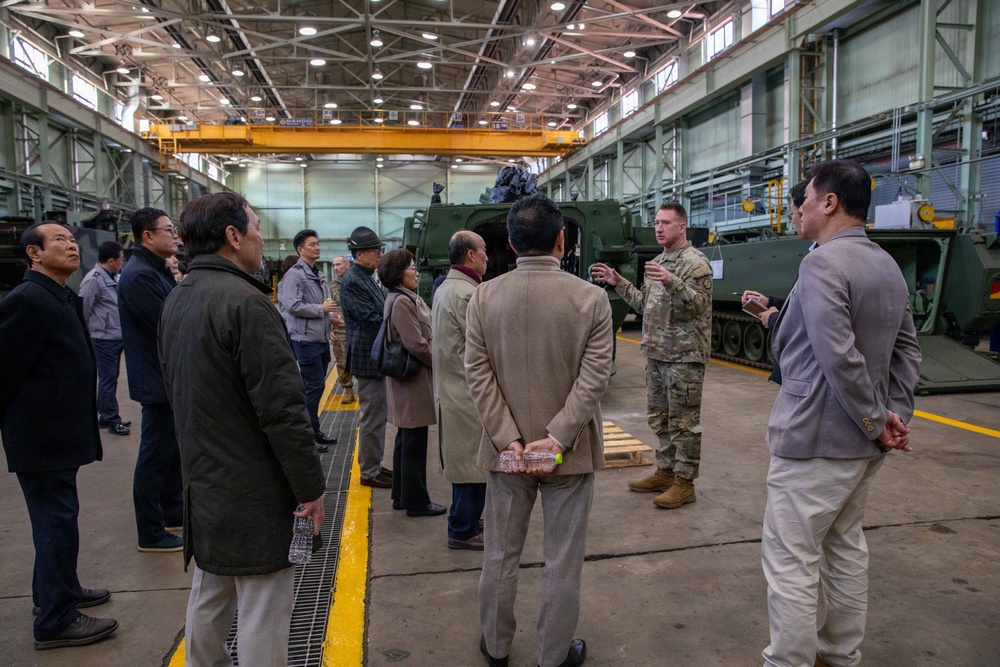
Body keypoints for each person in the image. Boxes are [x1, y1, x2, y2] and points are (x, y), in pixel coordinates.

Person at [760, 159, 921, 667]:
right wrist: (893, 415)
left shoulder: (822, 262)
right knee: (845, 548)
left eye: (805, 199)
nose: (799, 208)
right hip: (860, 448)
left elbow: (839, 357)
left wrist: (877, 420)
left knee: (791, 561)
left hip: (816, 442)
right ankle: (839, 653)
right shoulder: (885, 263)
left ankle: (788, 661)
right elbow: (908, 351)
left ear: (829, 203)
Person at [158, 192, 326, 667]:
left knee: (211, 594)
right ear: (232, 236)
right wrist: (310, 488)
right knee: (263, 608)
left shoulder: (179, 298)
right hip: (253, 491)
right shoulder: (248, 305)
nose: (258, 238)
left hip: (204, 484)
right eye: (253, 228)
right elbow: (282, 413)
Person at [467, 195, 612, 667]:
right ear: (561, 240)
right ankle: (552, 655)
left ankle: (496, 645)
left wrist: (508, 438)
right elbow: (595, 377)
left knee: (501, 555)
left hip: (506, 454)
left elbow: (478, 372)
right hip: (567, 455)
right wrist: (557, 438)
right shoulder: (591, 298)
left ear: (510, 243)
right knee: (562, 561)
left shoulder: (484, 296)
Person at [0, 222, 118, 650]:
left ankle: (56, 593)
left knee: (58, 523)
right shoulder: (28, 301)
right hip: (41, 438)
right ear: (34, 253)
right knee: (56, 526)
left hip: (56, 434)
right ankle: (55, 620)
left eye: (72, 240)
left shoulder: (57, 295)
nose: (71, 246)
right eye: (59, 241)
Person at [591, 202, 713, 510]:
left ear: (681, 226)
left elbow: (697, 306)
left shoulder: (695, 263)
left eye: (666, 223)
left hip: (684, 358)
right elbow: (646, 306)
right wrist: (618, 282)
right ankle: (665, 472)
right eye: (656, 222)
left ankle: (685, 483)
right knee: (660, 420)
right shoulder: (659, 261)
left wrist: (673, 282)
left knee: (684, 424)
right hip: (658, 354)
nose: (658, 228)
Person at [118, 207, 184, 553]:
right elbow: (168, 324)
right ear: (147, 236)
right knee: (154, 456)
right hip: (157, 379)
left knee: (171, 453)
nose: (175, 236)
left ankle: (173, 512)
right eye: (168, 230)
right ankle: (150, 531)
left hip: (166, 378)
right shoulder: (140, 275)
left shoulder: (154, 270)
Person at [431, 231, 489, 550]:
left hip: (453, 388)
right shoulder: (466, 293)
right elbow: (481, 347)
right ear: (469, 255)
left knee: (464, 460)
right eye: (483, 251)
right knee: (471, 466)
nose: (486, 256)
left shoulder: (449, 286)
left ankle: (463, 519)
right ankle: (463, 529)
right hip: (465, 391)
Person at [378, 249, 446, 518]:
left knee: (406, 439)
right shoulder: (402, 302)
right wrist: (440, 363)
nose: (416, 271)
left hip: (409, 381)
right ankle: (417, 502)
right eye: (410, 266)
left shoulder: (402, 297)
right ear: (398, 273)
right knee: (414, 443)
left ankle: (401, 496)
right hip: (412, 380)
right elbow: (416, 344)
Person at [741, 178, 810, 385]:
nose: (794, 220)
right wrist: (770, 301)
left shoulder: (822, 260)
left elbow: (817, 324)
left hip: (806, 377)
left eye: (793, 214)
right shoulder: (814, 254)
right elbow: (803, 307)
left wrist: (775, 319)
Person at [340, 226, 393, 488]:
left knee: (377, 415)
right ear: (361, 254)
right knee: (372, 417)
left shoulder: (366, 277)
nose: (380, 255)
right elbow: (372, 319)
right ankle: (369, 472)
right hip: (367, 358)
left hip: (373, 356)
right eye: (376, 251)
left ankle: (374, 464)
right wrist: (396, 323)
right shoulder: (353, 281)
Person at [278, 229, 338, 452]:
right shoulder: (295, 274)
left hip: (320, 338)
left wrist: (331, 317)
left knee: (316, 386)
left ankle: (315, 431)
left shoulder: (317, 273)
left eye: (318, 243)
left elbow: (324, 303)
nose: (317, 247)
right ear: (300, 249)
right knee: (313, 387)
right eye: (312, 244)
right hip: (305, 340)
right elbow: (292, 305)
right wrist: (321, 309)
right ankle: (306, 436)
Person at [79, 240, 130, 436]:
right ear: (111, 260)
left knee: (112, 377)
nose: (122, 263)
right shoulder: (94, 279)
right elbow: (84, 308)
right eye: (120, 260)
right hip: (103, 338)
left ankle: (106, 414)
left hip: (115, 335)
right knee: (108, 378)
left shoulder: (112, 276)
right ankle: (110, 417)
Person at [330, 255, 356, 404]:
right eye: (334, 265)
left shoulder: (355, 283)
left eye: (338, 264)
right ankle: (348, 390)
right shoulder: (331, 286)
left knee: (360, 360)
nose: (335, 268)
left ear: (347, 265)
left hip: (357, 329)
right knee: (342, 361)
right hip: (340, 330)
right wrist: (329, 329)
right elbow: (327, 308)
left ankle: (366, 389)